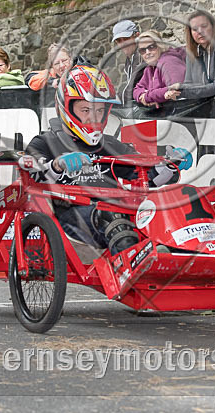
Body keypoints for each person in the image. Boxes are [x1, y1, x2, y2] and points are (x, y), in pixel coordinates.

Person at [26, 64, 189, 256]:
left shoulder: (112, 145)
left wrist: (169, 166)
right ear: (66, 108)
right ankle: (141, 262)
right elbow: (28, 175)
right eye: (85, 110)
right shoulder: (45, 142)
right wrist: (57, 164)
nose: (93, 118)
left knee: (165, 205)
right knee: (110, 215)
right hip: (72, 216)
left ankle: (192, 253)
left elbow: (148, 177)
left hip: (117, 212)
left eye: (99, 111)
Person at [166, 10, 215, 101]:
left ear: (213, 26)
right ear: (190, 32)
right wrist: (175, 91)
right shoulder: (192, 52)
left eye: (204, 26)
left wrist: (182, 90)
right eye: (195, 29)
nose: (200, 31)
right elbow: (188, 83)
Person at [132, 30, 186, 109]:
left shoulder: (169, 61)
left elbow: (176, 90)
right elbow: (136, 90)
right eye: (143, 50)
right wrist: (144, 96)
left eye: (151, 47)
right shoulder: (150, 68)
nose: (147, 52)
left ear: (160, 46)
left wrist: (148, 97)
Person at [111, 20, 145, 105]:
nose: (123, 44)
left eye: (126, 38)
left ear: (137, 36)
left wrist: (107, 100)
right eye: (119, 41)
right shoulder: (130, 59)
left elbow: (130, 91)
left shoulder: (142, 55)